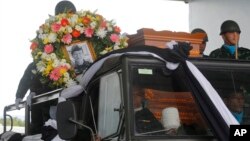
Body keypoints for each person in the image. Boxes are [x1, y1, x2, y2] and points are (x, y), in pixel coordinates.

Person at [14, 0, 77, 134]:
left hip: (71, 93)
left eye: (70, 13)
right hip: (43, 97)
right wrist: (20, 95)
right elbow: (31, 70)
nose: (66, 17)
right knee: (40, 127)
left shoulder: (79, 31)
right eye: (63, 13)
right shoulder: (49, 34)